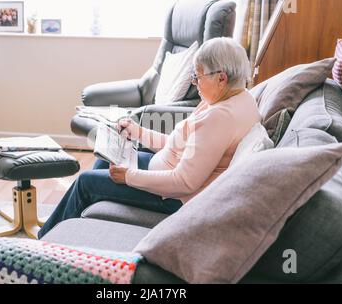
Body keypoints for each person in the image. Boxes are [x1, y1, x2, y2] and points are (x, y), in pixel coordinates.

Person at [38, 37, 262, 239]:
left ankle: (44, 246)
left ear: (221, 78)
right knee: (105, 160)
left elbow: (184, 183)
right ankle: (77, 231)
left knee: (85, 182)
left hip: (171, 197)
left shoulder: (219, 118)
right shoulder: (238, 98)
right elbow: (182, 146)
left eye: (198, 76)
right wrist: (139, 132)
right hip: (163, 174)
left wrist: (129, 177)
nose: (195, 82)